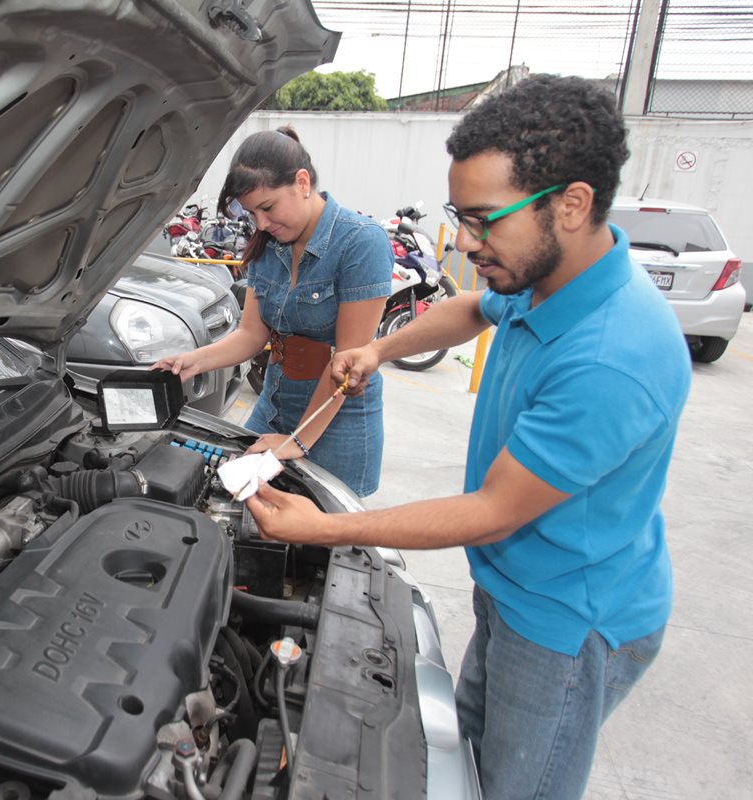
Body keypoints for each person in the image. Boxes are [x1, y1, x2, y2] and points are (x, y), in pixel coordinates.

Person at [245, 75, 691, 799]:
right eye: (460, 216)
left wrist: (329, 527)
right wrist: (380, 350)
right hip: (515, 592)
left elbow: (492, 510)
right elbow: (470, 309)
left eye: (484, 220)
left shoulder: (615, 354)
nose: (467, 241)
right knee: (467, 768)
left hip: (568, 624)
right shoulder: (542, 275)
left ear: (572, 205)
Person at [154, 127, 392, 496]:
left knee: (321, 542)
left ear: (302, 182)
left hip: (336, 416)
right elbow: (252, 335)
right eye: (252, 213)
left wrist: (296, 442)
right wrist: (194, 361)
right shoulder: (269, 244)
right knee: (238, 505)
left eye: (267, 207)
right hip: (275, 402)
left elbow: (347, 362)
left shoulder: (361, 243)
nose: (261, 224)